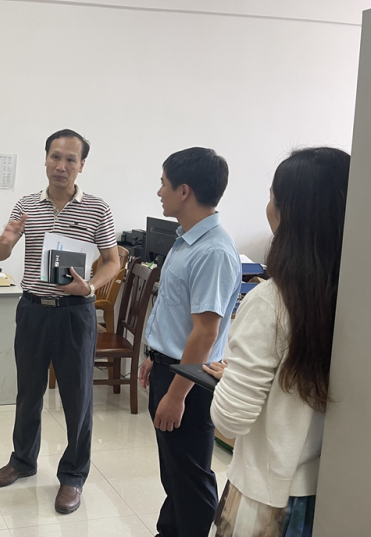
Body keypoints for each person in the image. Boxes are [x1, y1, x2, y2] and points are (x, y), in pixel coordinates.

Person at [203, 147, 350, 537]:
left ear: (288, 213)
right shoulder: (353, 297)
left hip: (267, 498)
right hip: (335, 491)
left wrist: (231, 380)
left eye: (272, 197)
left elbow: (231, 418)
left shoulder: (270, 302)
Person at [0, 129, 121, 514]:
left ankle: (73, 475)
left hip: (75, 313)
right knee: (28, 392)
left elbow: (113, 261)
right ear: (45, 159)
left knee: (77, 398)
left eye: (70, 159)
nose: (61, 166)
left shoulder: (97, 208)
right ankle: (22, 461)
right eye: (55, 157)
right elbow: (0, 253)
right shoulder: (27, 204)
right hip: (32, 309)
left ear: (81, 166)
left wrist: (90, 287)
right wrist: (7, 237)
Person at [137, 147, 242, 537]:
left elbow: (206, 332)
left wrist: (176, 394)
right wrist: (155, 355)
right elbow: (176, 313)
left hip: (190, 382)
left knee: (192, 478)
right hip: (172, 367)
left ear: (184, 191)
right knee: (175, 471)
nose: (159, 192)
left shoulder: (213, 251)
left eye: (163, 184)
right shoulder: (186, 241)